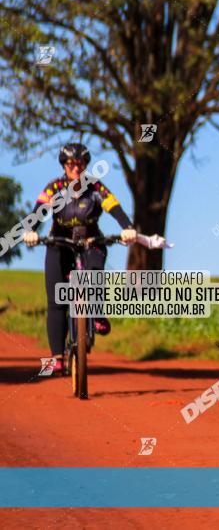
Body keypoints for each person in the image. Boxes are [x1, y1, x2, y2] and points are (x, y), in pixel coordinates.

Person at [23, 143, 137, 373]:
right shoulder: (54, 188)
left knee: (94, 270)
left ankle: (95, 313)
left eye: (80, 163)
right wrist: (30, 231)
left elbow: (114, 207)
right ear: (64, 165)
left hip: (90, 239)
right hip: (59, 241)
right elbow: (38, 210)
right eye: (71, 163)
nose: (76, 167)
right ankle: (57, 356)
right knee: (56, 300)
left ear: (86, 165)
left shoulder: (95, 186)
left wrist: (128, 227)